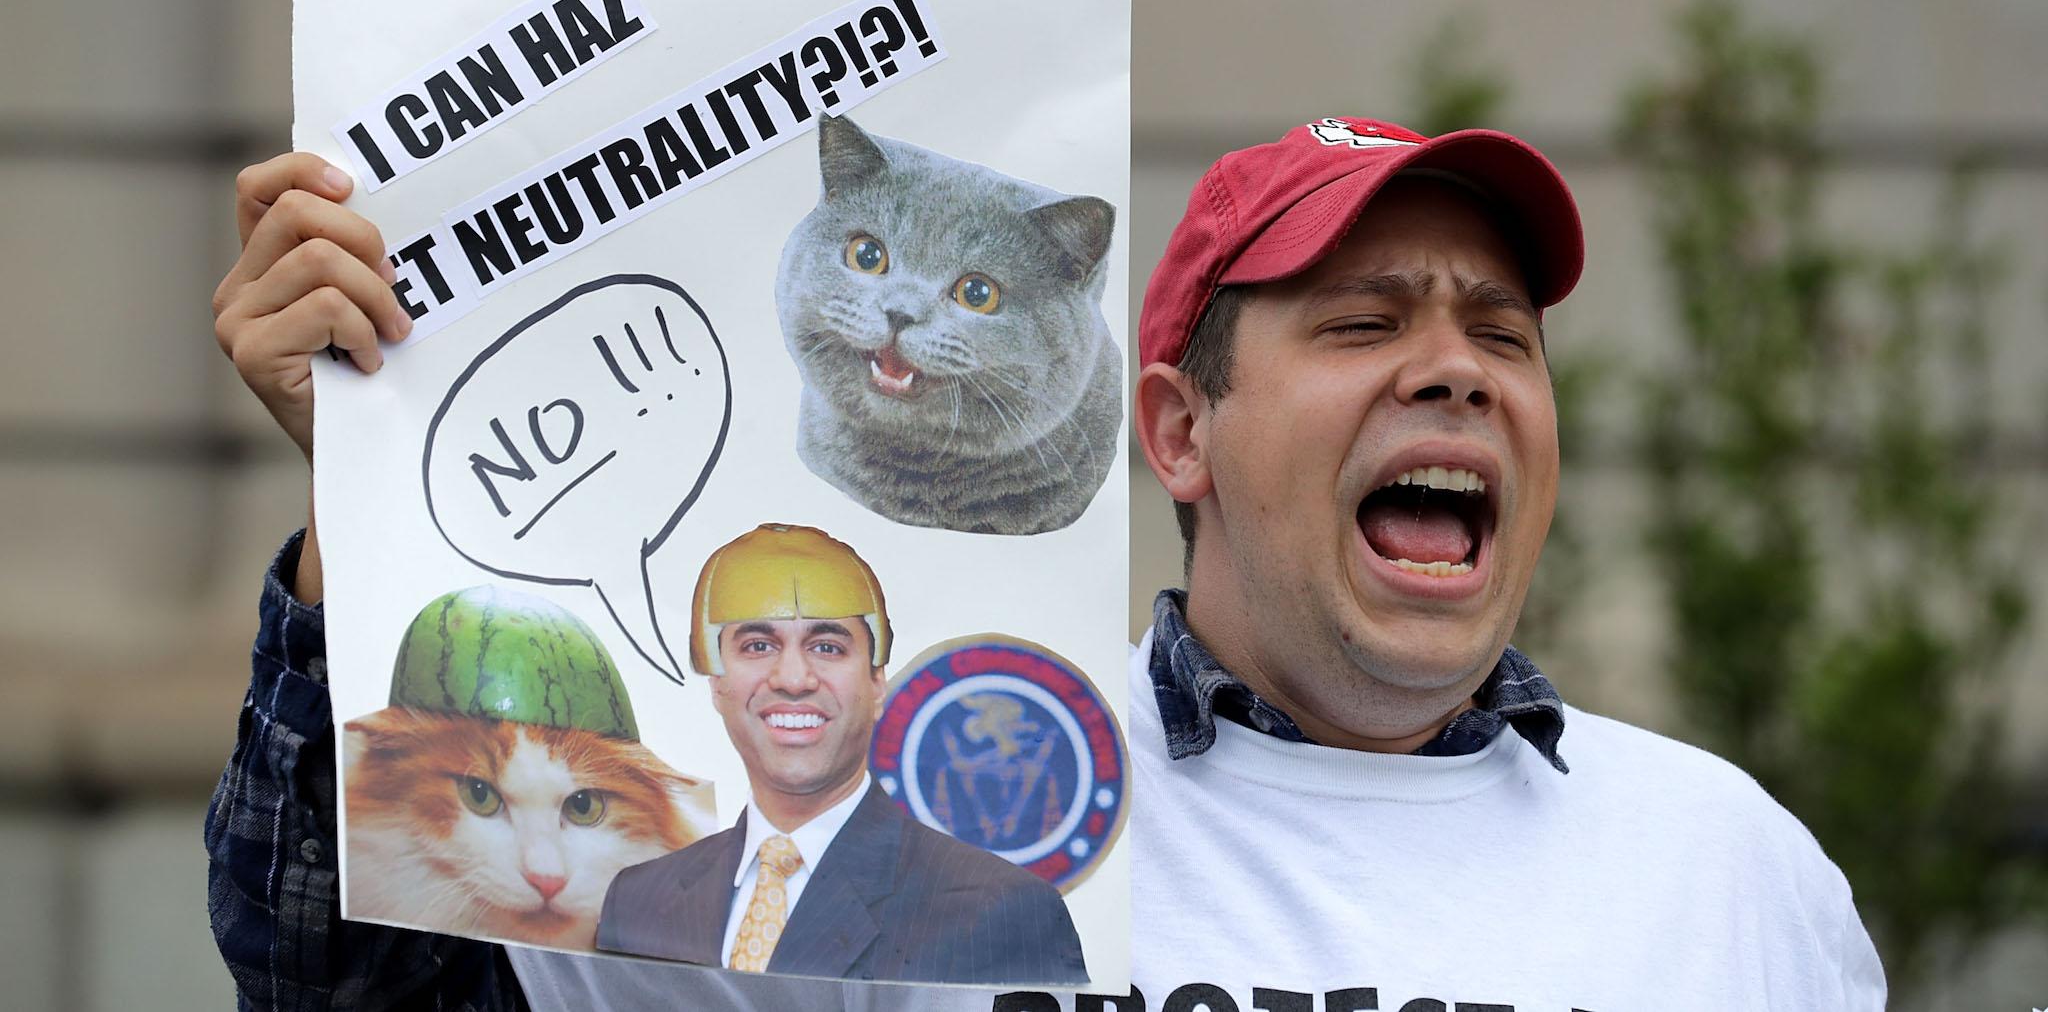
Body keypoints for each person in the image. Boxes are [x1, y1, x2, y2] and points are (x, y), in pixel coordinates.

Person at [208, 117, 1887, 1010]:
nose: (1451, 368)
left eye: (1499, 336)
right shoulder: (893, 809)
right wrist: (380, 501)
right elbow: (357, 991)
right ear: (1176, 432)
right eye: (1362, 322)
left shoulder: (1732, 870)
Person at [594, 523, 1088, 983]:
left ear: (877, 683)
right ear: (717, 683)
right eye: (758, 645)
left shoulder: (1004, 912)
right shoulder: (635, 901)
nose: (792, 679)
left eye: (827, 647)